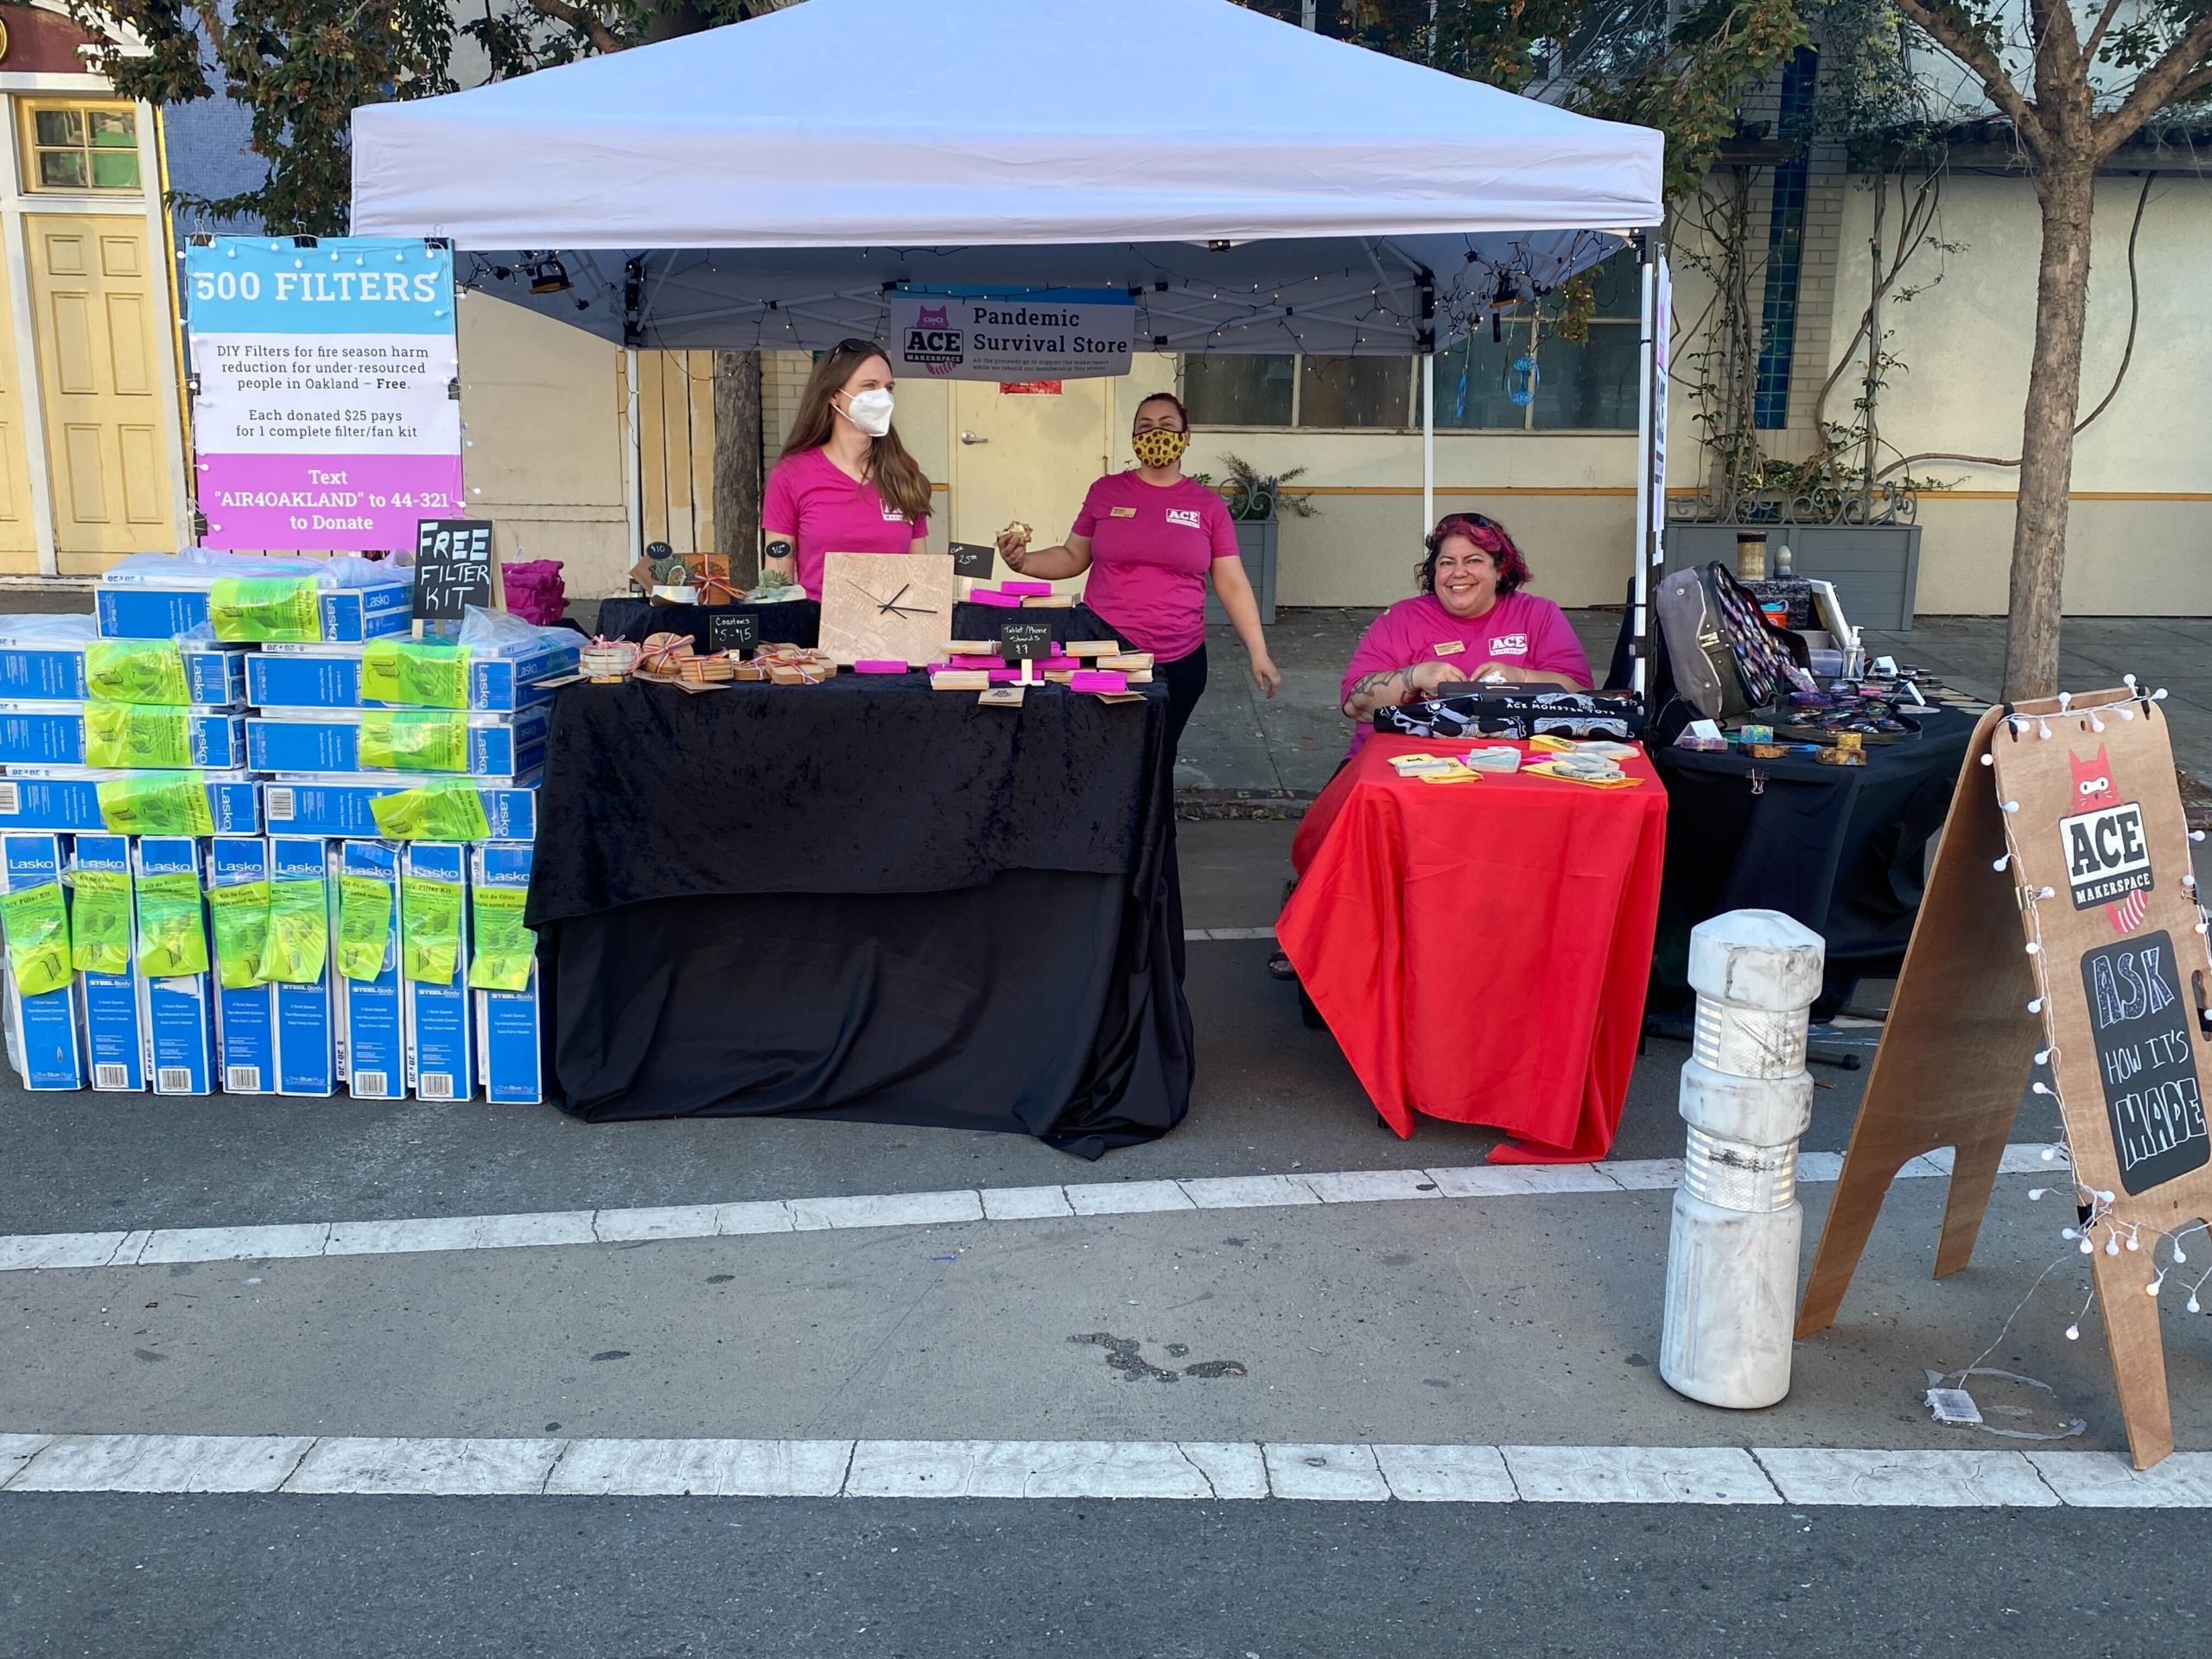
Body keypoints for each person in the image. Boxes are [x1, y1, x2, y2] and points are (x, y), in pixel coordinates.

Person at [998, 392, 1281, 753]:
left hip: (1178, 661)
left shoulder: (1207, 506)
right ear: (1133, 437)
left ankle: (1150, 811)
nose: (1155, 434)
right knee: (1099, 751)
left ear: (1186, 435)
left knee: (1158, 754)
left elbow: (1233, 583)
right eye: (1145, 427)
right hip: (1103, 653)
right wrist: (1022, 562)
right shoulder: (1106, 491)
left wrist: (1258, 651)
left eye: (1167, 426)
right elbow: (1072, 555)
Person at [1336, 512, 1591, 755]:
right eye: (1447, 563)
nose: (1459, 572)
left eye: (1474, 560)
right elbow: (1355, 706)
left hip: (1516, 761)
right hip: (1401, 763)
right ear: (1434, 571)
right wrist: (1413, 677)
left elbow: (1582, 697)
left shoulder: (1538, 613)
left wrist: (1519, 677)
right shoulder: (1401, 618)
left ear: (1500, 569)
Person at [760, 339, 931, 600]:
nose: (883, 398)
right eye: (869, 386)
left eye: (889, 388)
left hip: (893, 631)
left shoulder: (904, 471)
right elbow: (777, 578)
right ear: (833, 395)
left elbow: (920, 570)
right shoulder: (791, 474)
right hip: (818, 631)